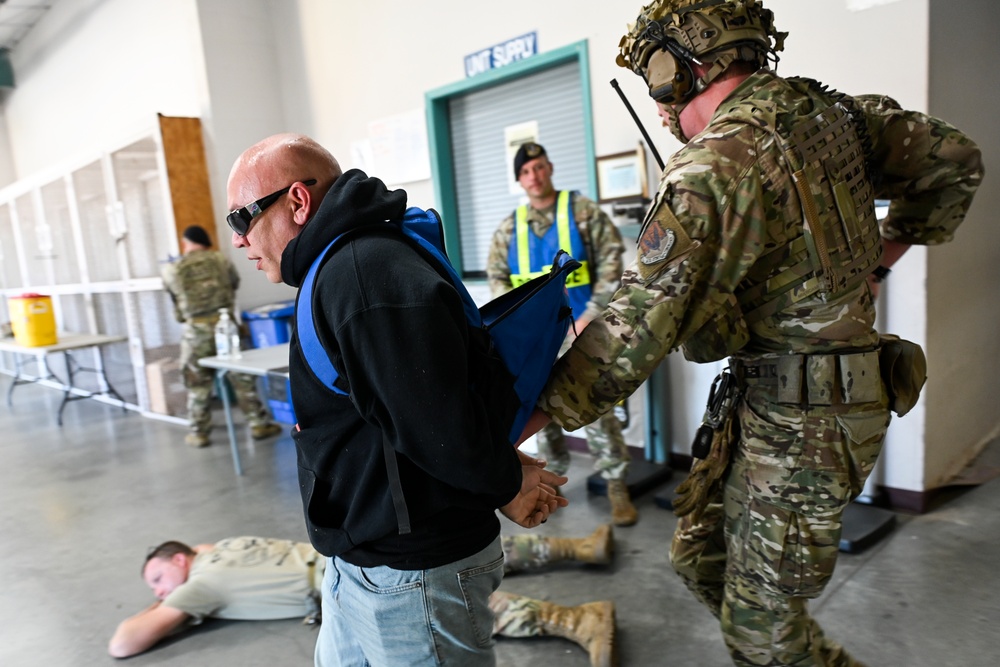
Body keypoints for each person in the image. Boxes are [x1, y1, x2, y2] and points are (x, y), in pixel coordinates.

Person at [518, 1, 985, 665]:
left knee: (760, 632)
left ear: (683, 67)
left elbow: (633, 329)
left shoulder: (711, 165)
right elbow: (954, 161)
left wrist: (515, 426)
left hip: (804, 422)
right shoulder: (842, 117)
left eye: (655, 79)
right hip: (787, 401)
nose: (657, 106)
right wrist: (880, 257)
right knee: (701, 556)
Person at [226, 133, 568, 666]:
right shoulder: (341, 267)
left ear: (297, 201)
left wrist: (505, 481)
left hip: (414, 576)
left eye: (242, 217)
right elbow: (396, 408)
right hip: (362, 556)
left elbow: (439, 426)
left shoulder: (362, 277)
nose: (239, 239)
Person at [108, 532, 617, 666]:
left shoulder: (200, 585)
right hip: (337, 552)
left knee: (438, 606)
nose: (159, 592)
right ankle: (580, 547)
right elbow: (198, 547)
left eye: (157, 579)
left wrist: (161, 604)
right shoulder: (224, 549)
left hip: (338, 580)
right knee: (471, 557)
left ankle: (578, 620)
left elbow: (125, 643)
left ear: (180, 563)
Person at [487, 141, 637, 527]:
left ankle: (617, 483)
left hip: (582, 330)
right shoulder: (509, 230)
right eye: (525, 172)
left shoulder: (582, 213)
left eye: (538, 167)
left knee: (593, 403)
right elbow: (498, 282)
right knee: (538, 407)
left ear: (549, 168)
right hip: (537, 339)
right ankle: (552, 481)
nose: (533, 176)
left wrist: (591, 314)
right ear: (519, 180)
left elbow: (610, 263)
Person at [161, 224, 281, 448]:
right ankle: (259, 424)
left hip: (195, 331)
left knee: (197, 384)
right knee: (242, 378)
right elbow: (233, 284)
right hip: (225, 326)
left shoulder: (172, 268)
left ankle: (199, 432)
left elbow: (175, 302)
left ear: (186, 241)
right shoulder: (221, 260)